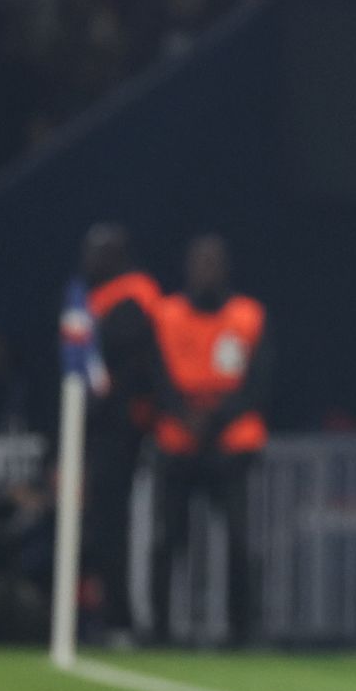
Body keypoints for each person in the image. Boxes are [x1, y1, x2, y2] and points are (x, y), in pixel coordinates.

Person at [150, 233, 269, 645]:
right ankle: (160, 629)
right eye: (200, 262)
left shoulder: (248, 316)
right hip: (178, 440)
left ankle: (243, 629)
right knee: (166, 539)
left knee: (240, 538)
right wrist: (186, 415)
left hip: (230, 445)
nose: (207, 270)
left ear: (226, 268)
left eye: (214, 262)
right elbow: (157, 377)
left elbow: (258, 383)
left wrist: (216, 416)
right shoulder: (166, 314)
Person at [78, 223, 163, 643]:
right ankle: (109, 614)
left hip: (126, 429)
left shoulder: (133, 296)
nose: (88, 260)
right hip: (102, 430)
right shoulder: (95, 299)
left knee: (118, 527)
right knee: (102, 527)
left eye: (97, 252)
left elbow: (120, 358)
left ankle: (124, 620)